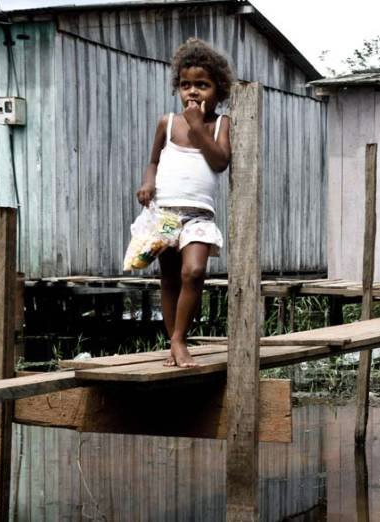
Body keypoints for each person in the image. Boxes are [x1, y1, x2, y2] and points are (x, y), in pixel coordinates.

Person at [136, 38, 233, 367]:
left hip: (199, 217)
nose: (193, 92)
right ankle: (174, 343)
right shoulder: (167, 123)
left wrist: (197, 126)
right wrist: (148, 182)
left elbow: (220, 161)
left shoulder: (221, 124)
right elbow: (153, 161)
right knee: (170, 277)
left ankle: (179, 339)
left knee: (195, 271)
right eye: (186, 85)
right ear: (177, 87)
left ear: (219, 89)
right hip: (166, 214)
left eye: (202, 85)